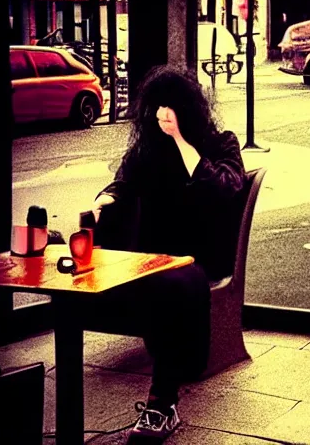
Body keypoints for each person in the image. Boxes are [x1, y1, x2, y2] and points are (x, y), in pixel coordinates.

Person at [91, 65, 246, 441]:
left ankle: (163, 404)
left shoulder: (219, 143)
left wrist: (180, 140)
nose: (162, 117)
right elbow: (123, 182)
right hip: (151, 257)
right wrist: (103, 200)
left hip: (197, 259)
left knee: (170, 285)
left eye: (171, 109)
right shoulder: (148, 150)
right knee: (70, 248)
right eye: (156, 109)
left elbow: (224, 187)